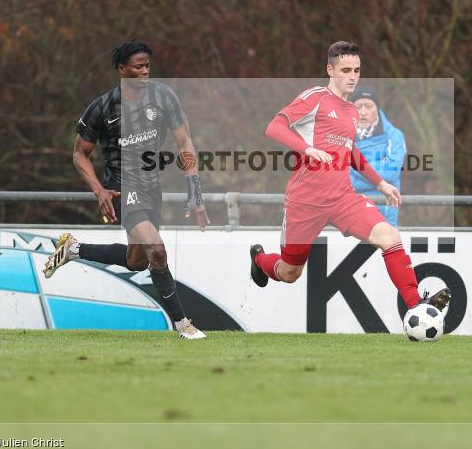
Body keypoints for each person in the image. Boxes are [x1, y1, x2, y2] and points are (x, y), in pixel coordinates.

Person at [249, 41, 450, 317]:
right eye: (345, 70)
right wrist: (306, 149)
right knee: (290, 271)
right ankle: (259, 260)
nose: (352, 76)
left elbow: (351, 151)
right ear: (330, 70)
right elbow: (274, 126)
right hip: (306, 201)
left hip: (343, 197)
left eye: (356, 69)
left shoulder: (352, 111)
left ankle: (416, 306)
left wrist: (380, 183)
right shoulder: (315, 98)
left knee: (389, 236)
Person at [43, 40, 209, 339]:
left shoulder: (164, 97)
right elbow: (79, 153)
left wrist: (195, 193)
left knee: (137, 261)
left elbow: (185, 143)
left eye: (148, 66)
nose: (145, 72)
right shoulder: (103, 107)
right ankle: (184, 325)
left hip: (150, 188)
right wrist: (99, 190)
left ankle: (72, 249)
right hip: (120, 189)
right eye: (138, 67)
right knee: (157, 250)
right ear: (122, 69)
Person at [348, 89, 406, 227]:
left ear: (377, 109)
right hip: (348, 209)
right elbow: (334, 174)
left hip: (383, 212)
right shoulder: (340, 136)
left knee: (387, 246)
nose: (362, 112)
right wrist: (375, 178)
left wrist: (353, 166)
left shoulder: (394, 136)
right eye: (358, 107)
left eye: (368, 106)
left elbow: (391, 171)